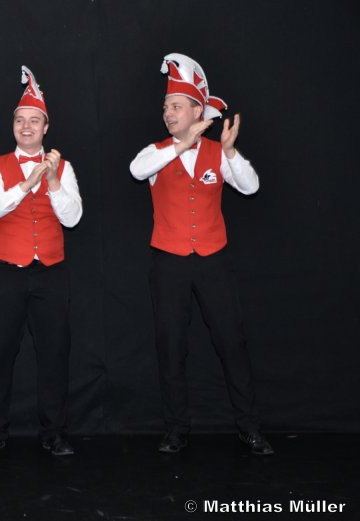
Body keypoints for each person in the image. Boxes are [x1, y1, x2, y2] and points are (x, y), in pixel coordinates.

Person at [129, 53, 273, 456]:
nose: (168, 113)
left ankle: (249, 426)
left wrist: (229, 151)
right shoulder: (157, 152)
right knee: (171, 345)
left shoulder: (217, 152)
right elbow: (137, 170)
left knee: (231, 342)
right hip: (169, 261)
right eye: (165, 108)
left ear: (197, 111)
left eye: (176, 106)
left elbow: (251, 187)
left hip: (213, 259)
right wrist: (181, 146)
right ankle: (176, 428)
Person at [0, 66, 82, 456]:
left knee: (54, 354)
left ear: (45, 127)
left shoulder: (64, 169)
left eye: (34, 120)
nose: (26, 126)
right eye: (20, 120)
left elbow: (73, 218)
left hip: (50, 272)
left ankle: (54, 432)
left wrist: (51, 182)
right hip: (5, 272)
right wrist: (24, 184)